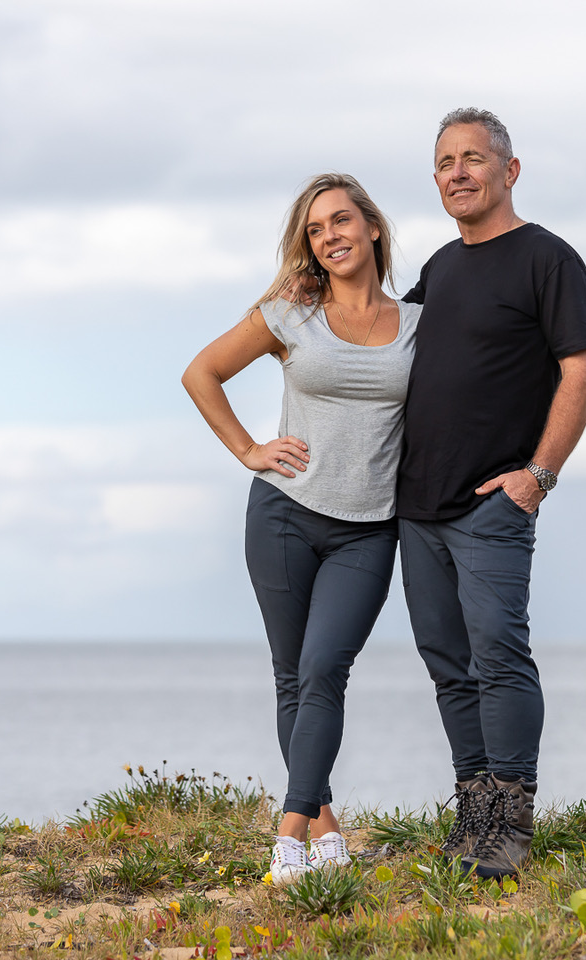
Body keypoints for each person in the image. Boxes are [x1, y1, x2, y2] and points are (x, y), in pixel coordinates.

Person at [182, 173, 420, 885]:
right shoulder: (292, 311)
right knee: (294, 680)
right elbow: (202, 373)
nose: (330, 237)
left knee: (324, 670)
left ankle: (288, 834)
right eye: (316, 230)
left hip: (368, 528)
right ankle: (326, 833)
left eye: (341, 221)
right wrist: (250, 450)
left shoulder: (418, 323)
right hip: (283, 515)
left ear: (373, 227)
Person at [397, 108, 586, 879]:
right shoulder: (441, 267)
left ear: (509, 171)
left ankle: (511, 827)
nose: (457, 173)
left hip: (492, 505)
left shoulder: (547, 260)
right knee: (449, 664)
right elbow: (389, 342)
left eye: (472, 159)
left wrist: (538, 478)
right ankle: (474, 818)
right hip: (418, 506)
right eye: (444, 161)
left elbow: (583, 370)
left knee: (499, 657)